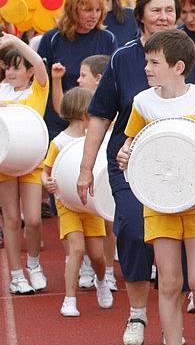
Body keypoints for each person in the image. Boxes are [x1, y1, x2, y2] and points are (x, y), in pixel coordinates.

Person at [76, 0, 195, 345]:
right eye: (157, 10)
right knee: (134, 230)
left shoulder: (189, 58)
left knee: (182, 251)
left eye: (170, 10)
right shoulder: (123, 59)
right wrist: (86, 168)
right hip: (133, 165)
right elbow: (100, 116)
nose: (165, 17)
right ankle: (138, 312)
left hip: (184, 172)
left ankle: (181, 324)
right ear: (141, 15)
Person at [118, 29, 195, 345]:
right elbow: (132, 143)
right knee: (169, 283)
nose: (147, 68)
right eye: (146, 61)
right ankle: (173, 340)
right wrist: (125, 153)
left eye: (154, 62)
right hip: (160, 200)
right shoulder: (142, 103)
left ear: (178, 67)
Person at [41, 87, 113, 316]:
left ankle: (101, 281)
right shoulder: (59, 142)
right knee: (77, 249)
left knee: (97, 255)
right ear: (84, 113)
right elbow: (46, 171)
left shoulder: (95, 139)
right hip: (68, 205)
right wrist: (47, 183)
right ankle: (69, 299)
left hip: (91, 206)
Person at [0, 32, 50, 294]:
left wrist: (14, 41)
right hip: (5, 165)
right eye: (8, 67)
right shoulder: (1, 91)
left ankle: (34, 263)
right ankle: (16, 275)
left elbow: (41, 65)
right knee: (10, 220)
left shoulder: (37, 91)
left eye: (17, 68)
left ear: (29, 72)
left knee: (33, 220)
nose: (10, 73)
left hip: (32, 163)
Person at [37, 0, 118, 140]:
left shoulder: (108, 39)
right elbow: (41, 82)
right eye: (88, 10)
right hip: (57, 121)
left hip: (93, 121)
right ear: (73, 10)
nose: (93, 15)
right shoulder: (53, 38)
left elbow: (111, 83)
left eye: (98, 10)